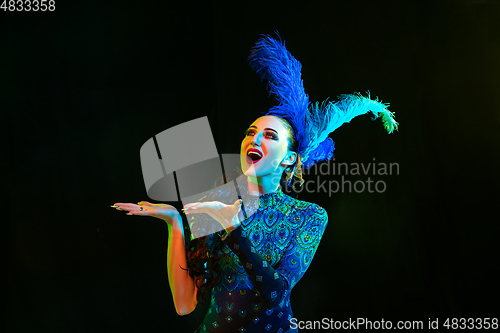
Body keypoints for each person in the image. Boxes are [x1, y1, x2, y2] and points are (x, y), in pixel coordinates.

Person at [112, 34, 398, 333]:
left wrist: (232, 230)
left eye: (270, 136)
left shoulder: (308, 217)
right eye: (251, 132)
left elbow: (275, 296)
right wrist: (173, 223)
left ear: (289, 158)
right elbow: (185, 304)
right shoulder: (213, 201)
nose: (255, 138)